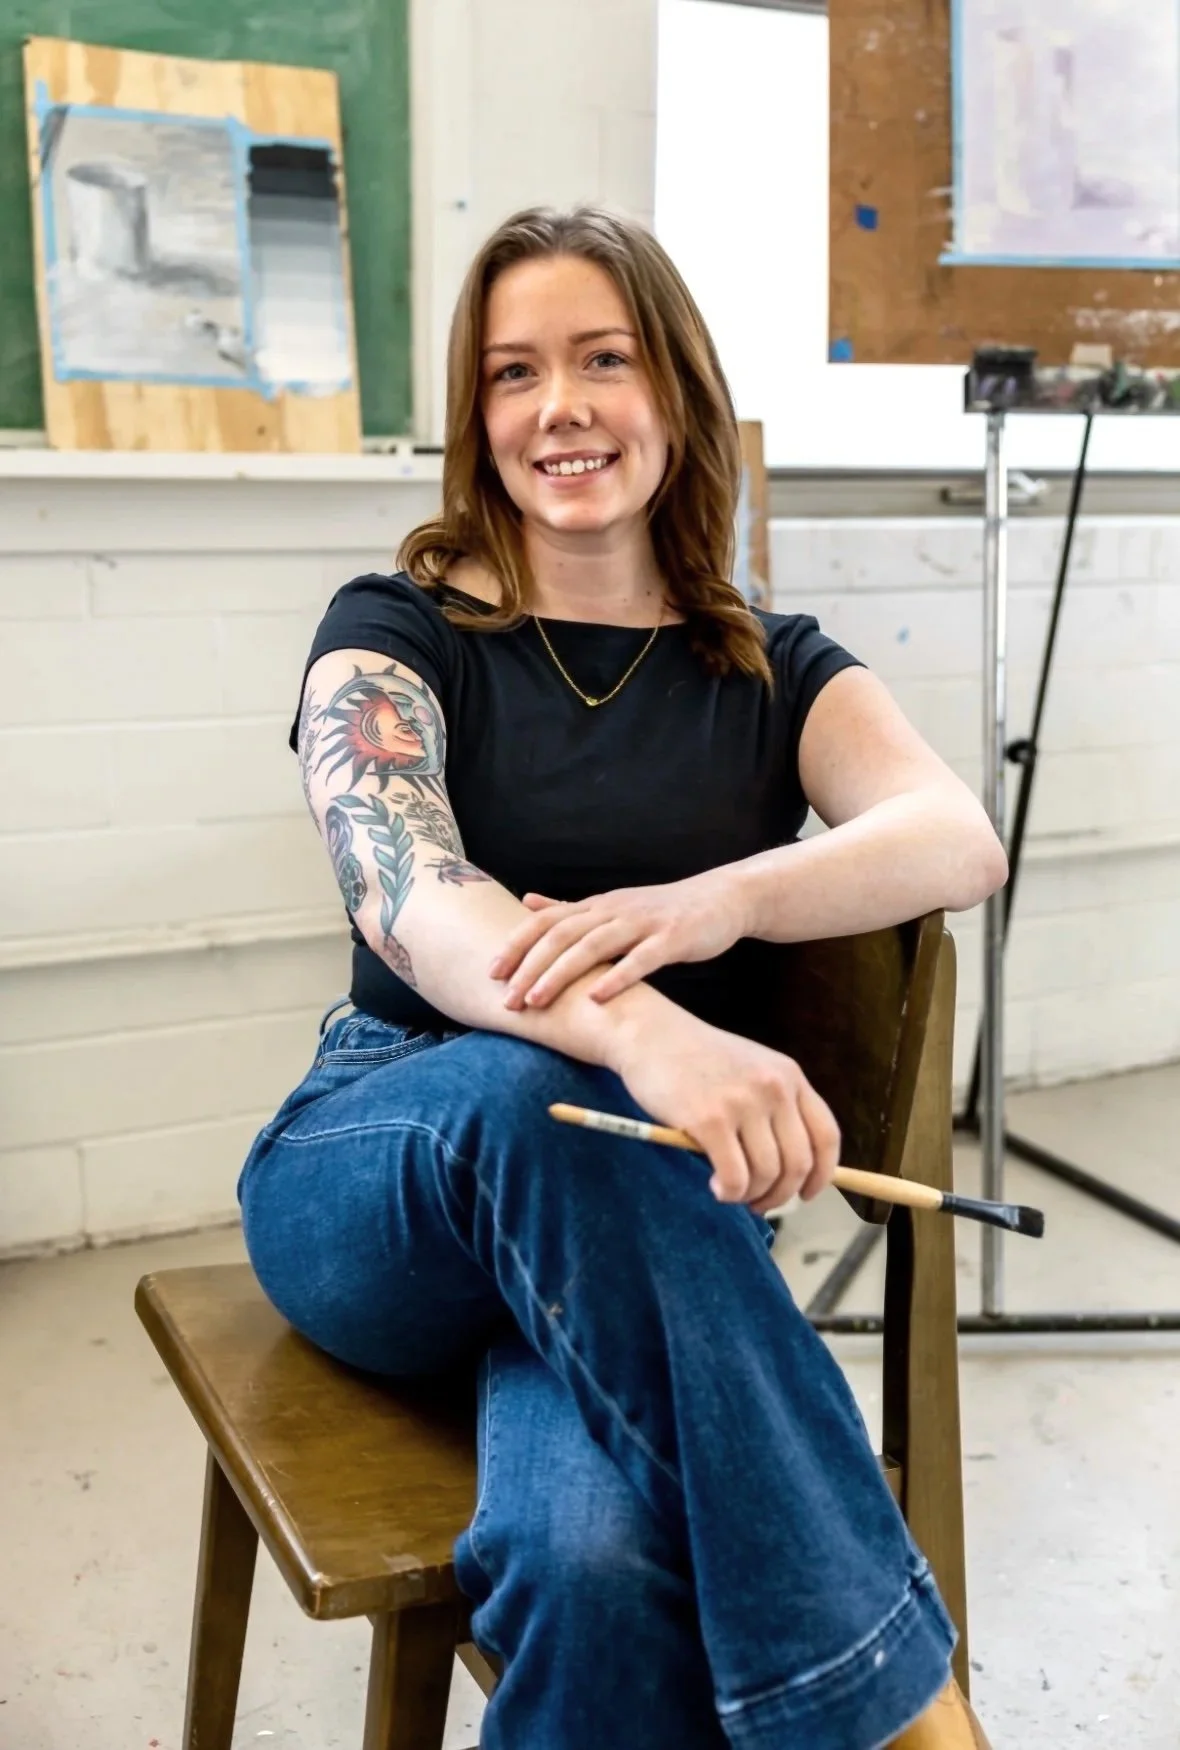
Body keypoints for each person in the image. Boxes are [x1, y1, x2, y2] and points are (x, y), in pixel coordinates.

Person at [238, 207, 1006, 1749]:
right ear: (479, 421)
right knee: (533, 1089)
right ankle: (910, 1716)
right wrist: (644, 1027)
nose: (558, 407)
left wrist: (715, 903)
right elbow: (423, 904)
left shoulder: (772, 664)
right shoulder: (391, 632)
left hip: (626, 1224)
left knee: (591, 1560)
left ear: (678, 390)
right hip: (389, 1163)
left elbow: (954, 834)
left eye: (603, 358)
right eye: (514, 373)